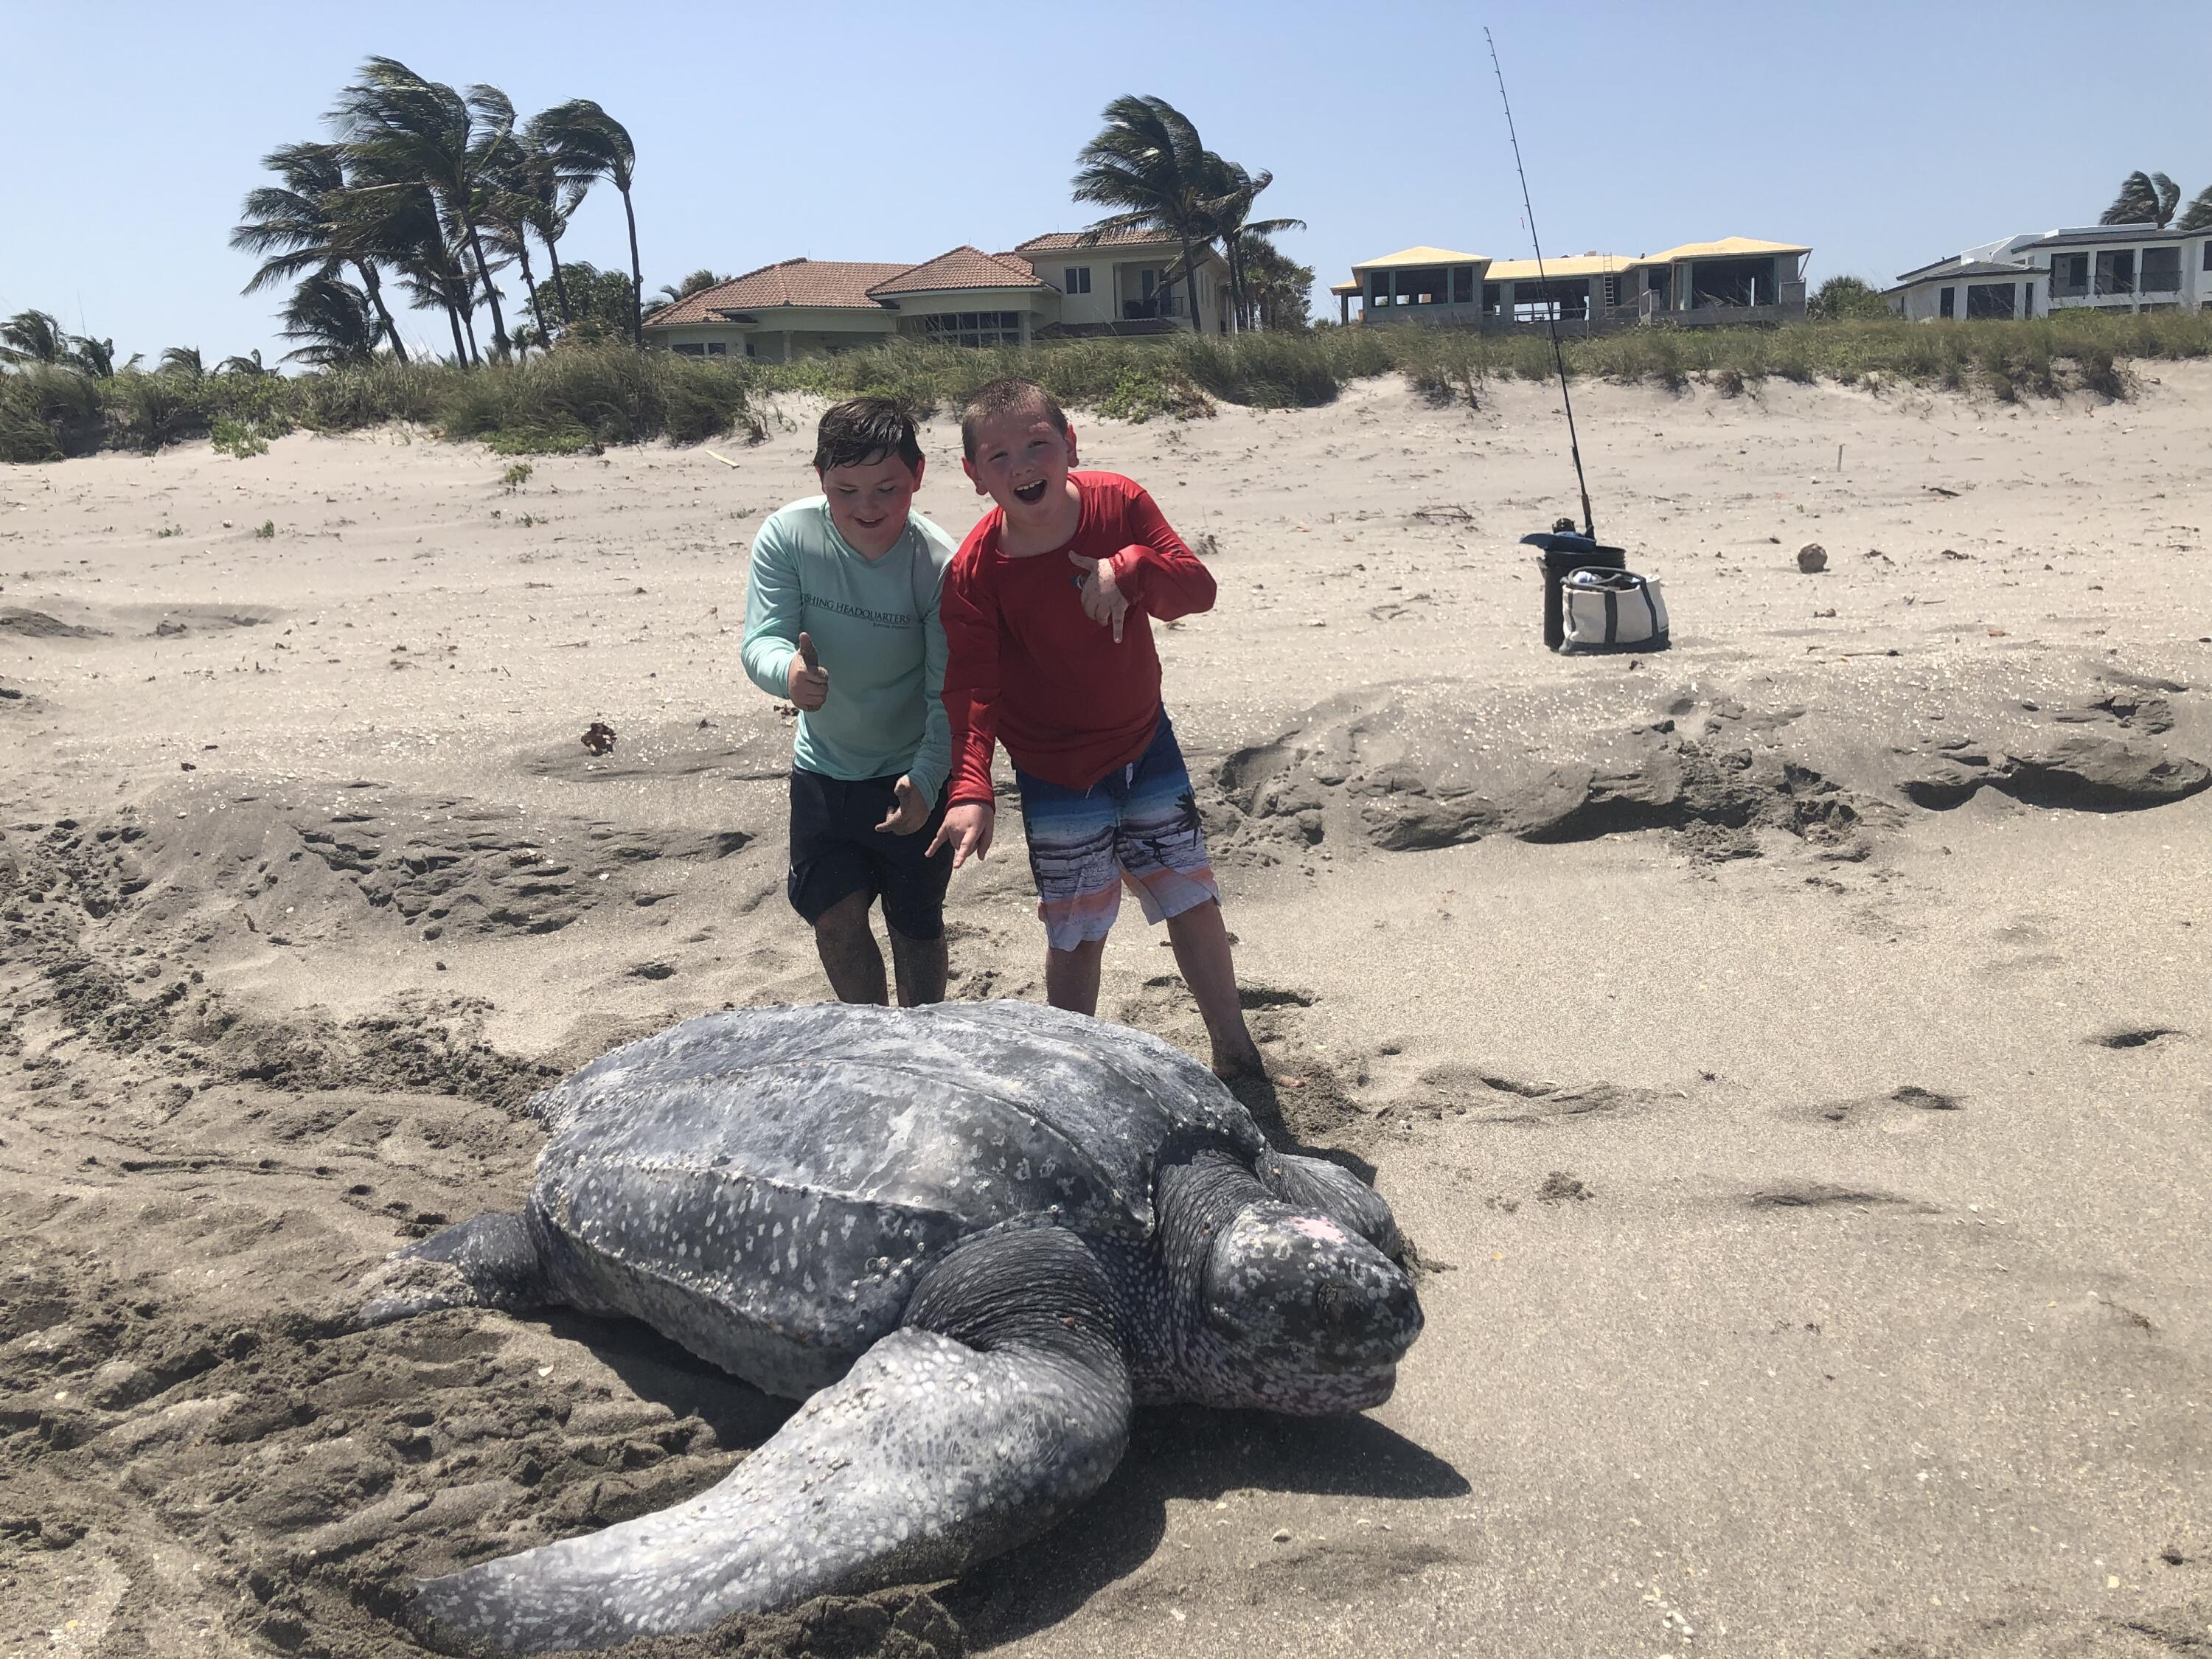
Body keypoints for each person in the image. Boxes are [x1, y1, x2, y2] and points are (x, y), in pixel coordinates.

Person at [929, 377, 1263, 1079]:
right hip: (1055, 772)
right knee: (1076, 930)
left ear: (1070, 443)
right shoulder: (972, 572)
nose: (1022, 464)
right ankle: (1072, 1076)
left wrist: (1131, 568)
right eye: (998, 456)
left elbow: (1196, 592)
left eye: (1037, 444)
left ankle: (1238, 1055)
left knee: (1192, 897)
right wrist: (970, 787)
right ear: (973, 474)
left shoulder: (1119, 503)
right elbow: (972, 687)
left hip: (1146, 743)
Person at [741, 397, 956, 1006]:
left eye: (888, 488)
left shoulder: (938, 563)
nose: (868, 508)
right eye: (846, 490)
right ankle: (867, 1037)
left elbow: (949, 692)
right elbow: (762, 638)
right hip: (824, 768)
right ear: (820, 481)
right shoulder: (789, 534)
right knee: (834, 918)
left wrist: (928, 776)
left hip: (911, 768)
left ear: (917, 476)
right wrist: (787, 674)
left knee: (915, 926)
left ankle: (921, 1045)